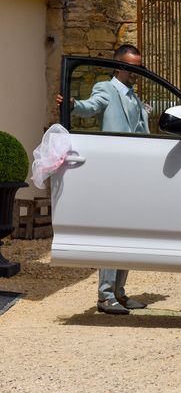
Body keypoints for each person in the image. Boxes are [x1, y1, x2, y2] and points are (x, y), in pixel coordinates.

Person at [55, 44, 148, 315]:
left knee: (129, 235)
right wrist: (72, 104)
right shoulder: (106, 89)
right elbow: (90, 107)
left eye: (139, 68)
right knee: (114, 234)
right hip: (114, 172)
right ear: (119, 66)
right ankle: (105, 295)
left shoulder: (134, 96)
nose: (137, 73)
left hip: (135, 174)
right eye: (133, 68)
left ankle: (119, 292)